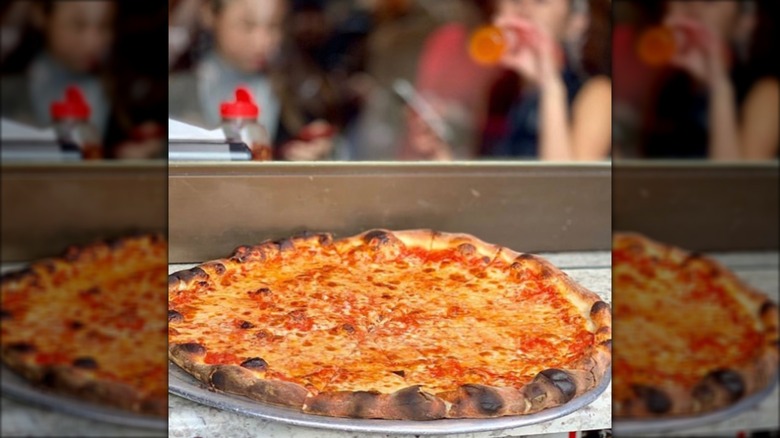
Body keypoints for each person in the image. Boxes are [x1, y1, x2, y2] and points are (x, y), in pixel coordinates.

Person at [168, 0, 336, 160]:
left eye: (273, 26)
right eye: (247, 26)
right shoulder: (176, 92)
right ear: (210, 14)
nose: (262, 42)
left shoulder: (299, 91)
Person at [1, 0, 166, 159]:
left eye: (104, 26)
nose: (93, 42)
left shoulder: (131, 93)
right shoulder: (9, 91)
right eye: (78, 25)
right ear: (41, 15)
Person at [640, 0, 776, 160]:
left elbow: (737, 181)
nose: (693, 9)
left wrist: (719, 86)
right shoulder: (668, 88)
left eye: (709, 2)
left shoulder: (767, 93)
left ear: (744, 22)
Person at [480, 0, 612, 160]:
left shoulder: (597, 93)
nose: (524, 10)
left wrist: (550, 86)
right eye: (515, 0)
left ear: (576, 22)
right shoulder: (498, 91)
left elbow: (569, 181)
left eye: (541, 1)